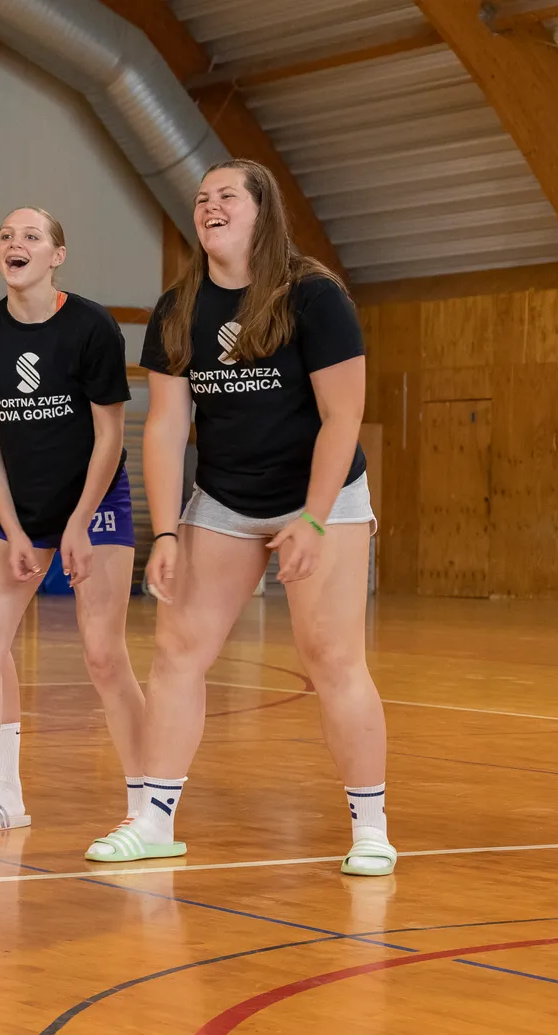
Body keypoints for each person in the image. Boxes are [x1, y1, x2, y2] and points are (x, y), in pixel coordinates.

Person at [90, 159, 392, 877]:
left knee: (333, 658)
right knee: (177, 651)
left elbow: (342, 415)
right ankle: (153, 820)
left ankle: (371, 828)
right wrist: (166, 532)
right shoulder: (178, 307)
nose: (210, 206)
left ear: (263, 212)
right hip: (225, 497)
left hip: (321, 495)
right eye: (202, 198)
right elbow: (167, 426)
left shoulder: (314, 296)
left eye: (227, 195)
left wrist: (314, 520)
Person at [0, 207, 144, 839]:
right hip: (20, 513)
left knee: (104, 656)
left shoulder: (92, 326)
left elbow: (110, 435)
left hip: (94, 507)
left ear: (56, 255)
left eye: (31, 236)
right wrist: (13, 531)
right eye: (6, 237)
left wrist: (79, 522)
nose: (15, 244)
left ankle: (147, 804)